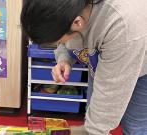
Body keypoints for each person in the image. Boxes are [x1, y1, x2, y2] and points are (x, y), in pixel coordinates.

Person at [21, 0, 147, 134]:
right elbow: (65, 40)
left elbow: (107, 99)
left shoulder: (121, 24)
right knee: (93, 113)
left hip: (140, 66)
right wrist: (65, 59)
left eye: (58, 40)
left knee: (135, 125)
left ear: (77, 23)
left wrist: (93, 130)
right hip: (103, 63)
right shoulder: (70, 13)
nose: (60, 43)